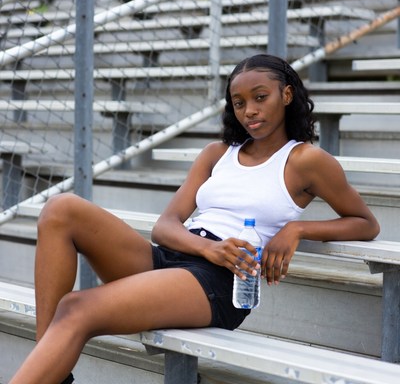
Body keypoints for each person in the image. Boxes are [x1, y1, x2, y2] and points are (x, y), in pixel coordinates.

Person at [9, 54, 380, 384]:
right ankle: (51, 372)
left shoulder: (305, 160)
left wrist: (297, 228)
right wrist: (209, 247)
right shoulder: (217, 154)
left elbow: (365, 222)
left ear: (286, 95)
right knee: (60, 207)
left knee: (76, 308)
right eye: (239, 102)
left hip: (218, 282)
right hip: (176, 257)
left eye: (260, 97)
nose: (249, 110)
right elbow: (165, 227)